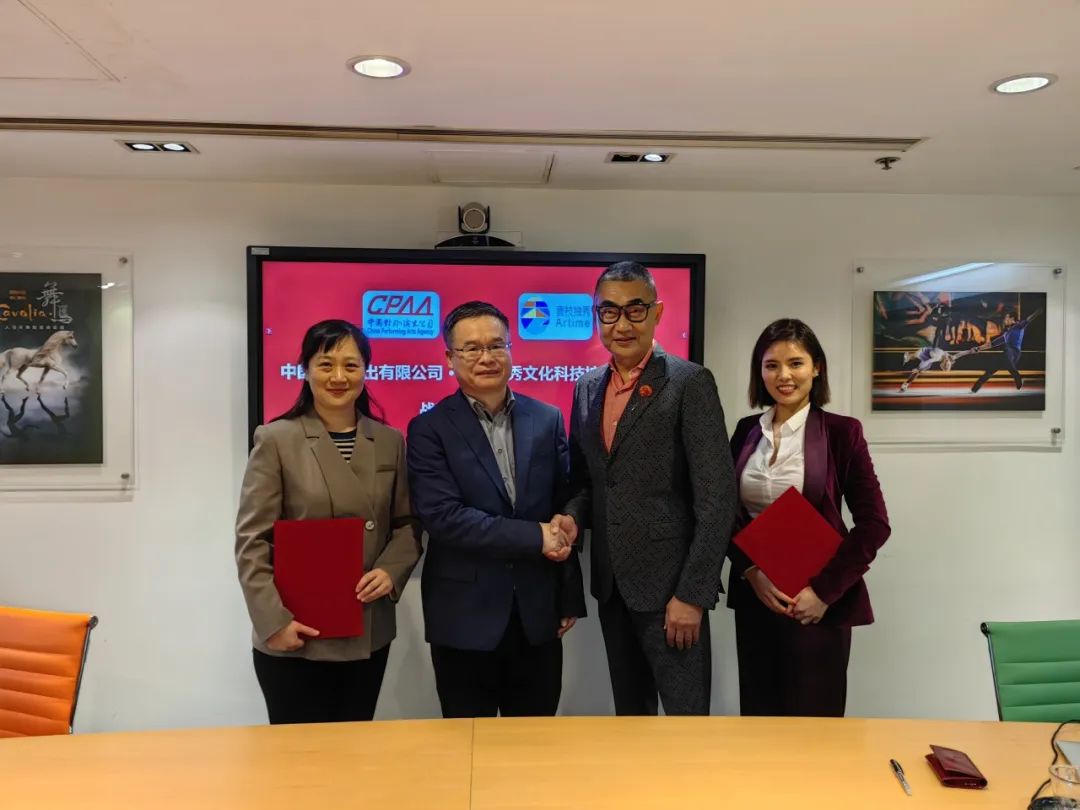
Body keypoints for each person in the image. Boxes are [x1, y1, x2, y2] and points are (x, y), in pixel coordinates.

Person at [559, 261, 736, 716]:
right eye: (609, 312)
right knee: (630, 720)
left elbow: (717, 499)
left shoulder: (689, 382)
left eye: (634, 310)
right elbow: (589, 480)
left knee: (685, 724)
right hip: (613, 587)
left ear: (656, 313)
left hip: (672, 593)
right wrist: (573, 517)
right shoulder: (586, 388)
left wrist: (692, 595)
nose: (621, 325)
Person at [235, 319, 422, 724]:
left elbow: (407, 523)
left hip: (366, 629)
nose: (339, 377)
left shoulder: (389, 440)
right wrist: (273, 621)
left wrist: (391, 571)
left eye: (351, 365)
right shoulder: (276, 439)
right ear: (305, 369)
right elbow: (252, 540)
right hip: (295, 631)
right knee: (298, 757)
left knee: (354, 751)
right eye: (325, 364)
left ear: (366, 371)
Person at [407, 301, 586, 718]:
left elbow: (569, 495)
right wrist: (537, 536)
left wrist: (570, 523)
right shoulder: (428, 429)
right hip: (463, 618)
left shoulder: (547, 418)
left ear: (510, 350)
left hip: (537, 616)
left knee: (536, 743)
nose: (485, 357)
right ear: (449, 358)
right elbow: (445, 518)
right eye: (471, 348)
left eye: (495, 345)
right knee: (467, 745)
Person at [727, 318, 890, 717]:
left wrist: (822, 593)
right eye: (771, 365)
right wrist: (751, 571)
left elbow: (874, 524)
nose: (784, 375)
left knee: (815, 726)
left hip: (817, 604)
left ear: (817, 367)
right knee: (759, 720)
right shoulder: (746, 431)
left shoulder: (841, 432)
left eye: (795, 363)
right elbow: (725, 513)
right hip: (758, 599)